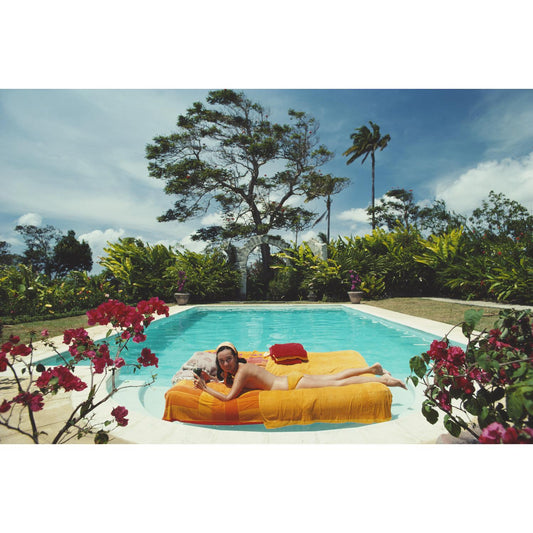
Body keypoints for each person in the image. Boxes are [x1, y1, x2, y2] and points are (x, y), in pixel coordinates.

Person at [193, 341, 407, 402]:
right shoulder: (238, 369)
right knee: (333, 377)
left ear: (235, 356)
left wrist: (204, 388)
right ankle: (372, 369)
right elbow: (225, 381)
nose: (225, 365)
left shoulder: (240, 373)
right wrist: (210, 378)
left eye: (228, 360)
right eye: (221, 362)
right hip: (290, 379)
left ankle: (384, 381)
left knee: (336, 384)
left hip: (291, 385)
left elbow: (229, 397)